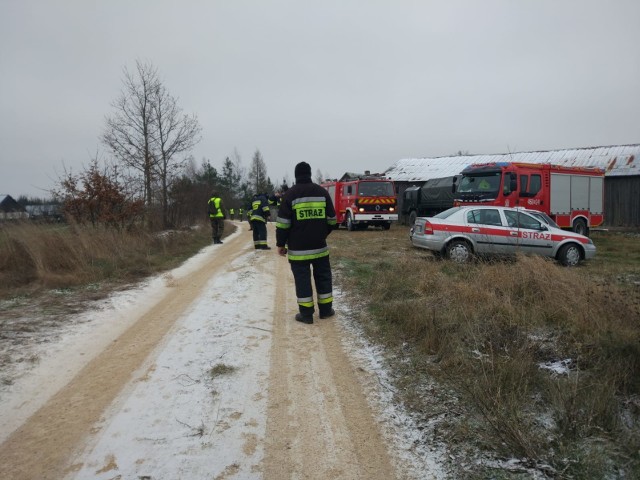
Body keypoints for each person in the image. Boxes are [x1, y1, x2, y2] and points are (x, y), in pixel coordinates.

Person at [276, 162, 337, 324]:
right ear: (309, 174)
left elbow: (283, 224)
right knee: (323, 277)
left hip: (298, 250)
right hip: (320, 248)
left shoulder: (289, 195)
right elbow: (332, 220)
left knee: (302, 280)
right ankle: (325, 311)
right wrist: (322, 234)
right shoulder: (322, 192)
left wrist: (281, 244)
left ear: (296, 176)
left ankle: (306, 314)